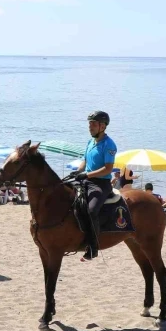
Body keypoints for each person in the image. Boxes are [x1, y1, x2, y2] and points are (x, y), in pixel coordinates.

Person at [71, 111, 116, 260]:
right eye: (89, 124)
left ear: (102, 126)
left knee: (91, 210)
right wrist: (77, 172)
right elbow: (85, 161)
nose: (90, 127)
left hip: (101, 184)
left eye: (93, 124)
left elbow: (108, 168)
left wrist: (87, 175)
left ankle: (93, 247)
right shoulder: (90, 142)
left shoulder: (109, 144)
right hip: (86, 180)